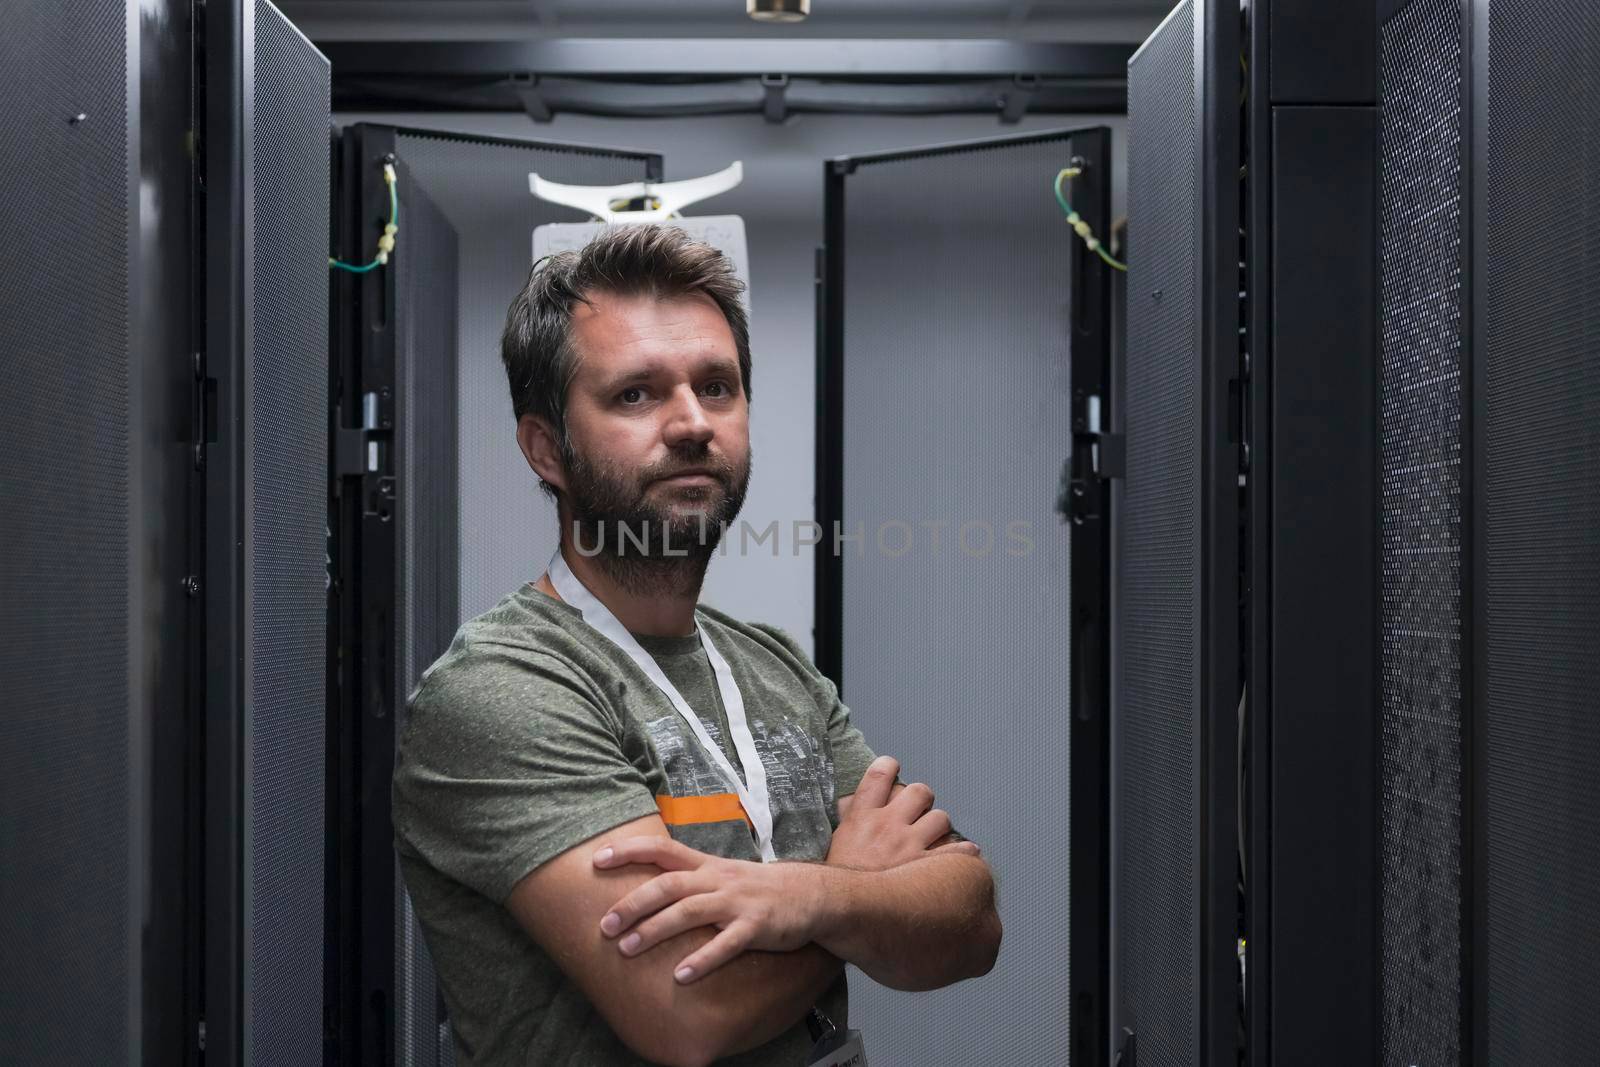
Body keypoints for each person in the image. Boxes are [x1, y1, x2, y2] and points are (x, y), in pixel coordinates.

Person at [392, 224, 1001, 1067]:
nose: (691, 424)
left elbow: (971, 923)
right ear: (546, 448)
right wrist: (861, 896)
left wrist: (812, 897)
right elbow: (688, 1013)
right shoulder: (506, 687)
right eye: (635, 394)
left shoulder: (776, 666)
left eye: (717, 386)